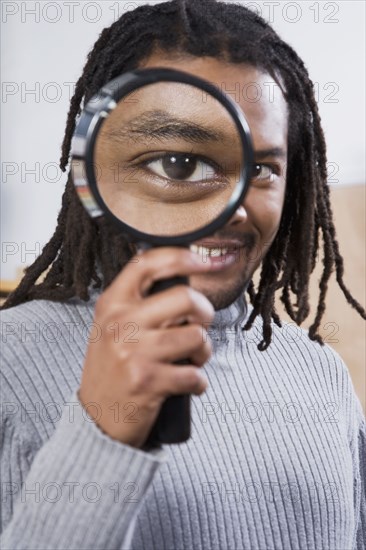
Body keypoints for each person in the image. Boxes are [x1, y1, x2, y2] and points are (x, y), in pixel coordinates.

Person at [1, 1, 365, 548]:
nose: (234, 207)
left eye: (263, 168)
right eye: (179, 164)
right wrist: (102, 431)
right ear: (92, 172)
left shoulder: (320, 374)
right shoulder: (9, 363)